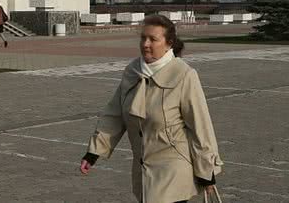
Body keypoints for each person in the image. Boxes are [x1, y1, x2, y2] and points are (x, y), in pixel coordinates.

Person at [79, 14, 223, 203]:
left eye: (153, 39)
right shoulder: (132, 71)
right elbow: (114, 115)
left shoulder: (184, 74)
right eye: (143, 38)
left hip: (173, 166)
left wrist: (206, 171)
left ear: (169, 43)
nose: (146, 44)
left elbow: (200, 125)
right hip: (143, 169)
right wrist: (93, 153)